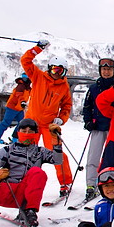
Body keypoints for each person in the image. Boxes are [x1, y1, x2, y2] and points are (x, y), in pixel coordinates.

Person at [20, 40, 74, 196]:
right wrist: (38, 48)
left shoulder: (63, 86)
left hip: (49, 126)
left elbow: (66, 106)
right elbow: (25, 60)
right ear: (49, 68)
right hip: (31, 124)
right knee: (26, 153)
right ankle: (24, 181)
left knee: (58, 154)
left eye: (61, 71)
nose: (58, 73)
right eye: (56, 69)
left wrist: (60, 119)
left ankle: (65, 183)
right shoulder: (38, 77)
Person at [81, 58, 114, 202]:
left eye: (109, 70)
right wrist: (87, 121)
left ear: (113, 71)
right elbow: (87, 106)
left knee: (112, 157)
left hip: (113, 127)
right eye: (104, 69)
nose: (106, 72)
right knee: (93, 157)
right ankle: (91, 185)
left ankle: (113, 183)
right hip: (97, 127)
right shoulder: (93, 88)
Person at [0, 73, 31, 144]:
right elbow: (19, 95)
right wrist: (22, 102)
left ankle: (15, 138)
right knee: (6, 122)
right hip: (12, 107)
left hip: (20, 108)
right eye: (24, 78)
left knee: (22, 124)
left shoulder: (28, 88)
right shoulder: (20, 86)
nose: (26, 80)